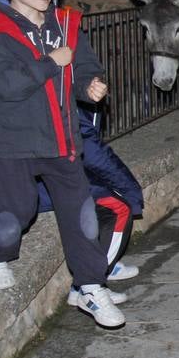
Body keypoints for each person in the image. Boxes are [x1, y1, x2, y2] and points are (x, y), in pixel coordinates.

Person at [0, 0, 127, 329]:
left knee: (83, 217)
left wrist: (89, 85)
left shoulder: (65, 24)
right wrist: (50, 63)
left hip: (62, 139)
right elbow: (5, 85)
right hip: (13, 143)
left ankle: (90, 287)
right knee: (14, 214)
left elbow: (83, 64)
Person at [37, 101, 144, 308]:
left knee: (110, 194)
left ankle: (104, 264)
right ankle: (87, 285)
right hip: (48, 182)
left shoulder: (74, 83)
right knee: (119, 206)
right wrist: (131, 189)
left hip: (60, 173)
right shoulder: (65, 88)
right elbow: (90, 149)